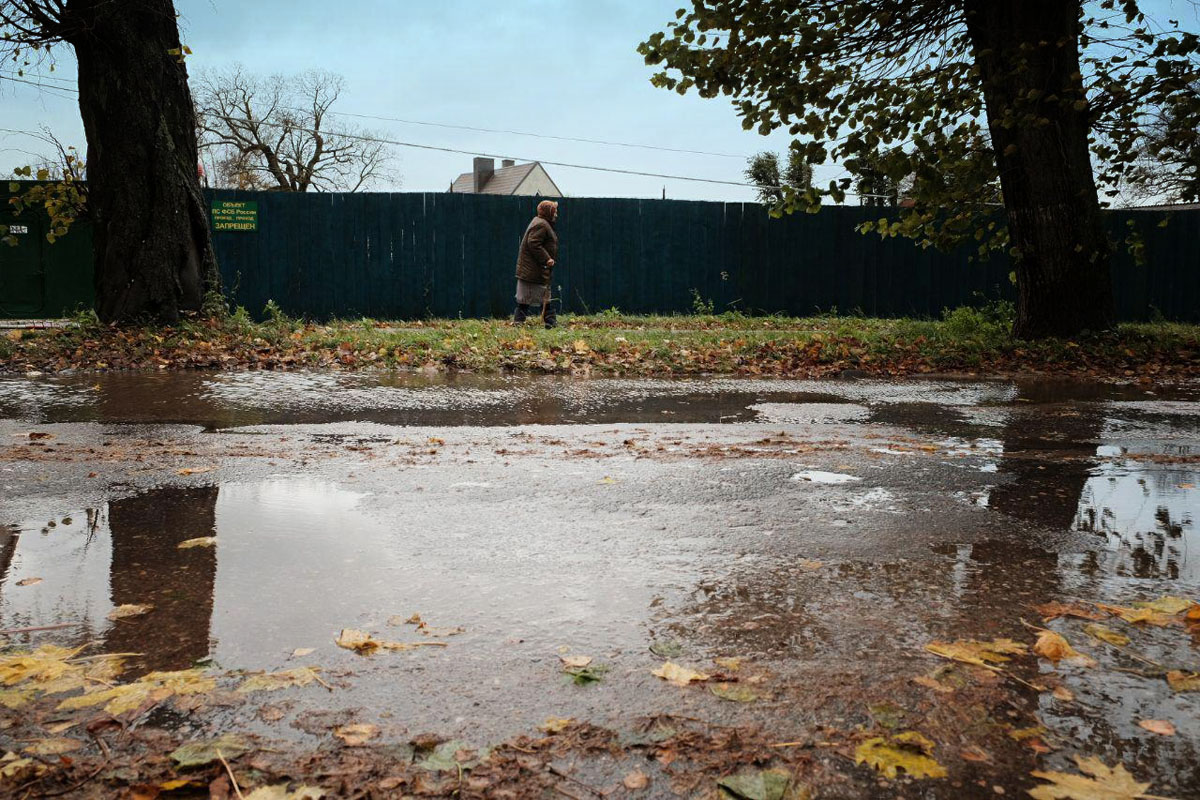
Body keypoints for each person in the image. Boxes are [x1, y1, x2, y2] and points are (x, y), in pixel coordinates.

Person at [513, 200, 559, 327]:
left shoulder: (542, 223)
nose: (556, 215)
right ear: (548, 212)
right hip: (533, 269)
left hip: (534, 269)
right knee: (532, 297)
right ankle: (549, 322)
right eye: (554, 212)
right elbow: (533, 243)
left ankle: (549, 322)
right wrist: (546, 258)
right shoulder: (542, 225)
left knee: (538, 296)